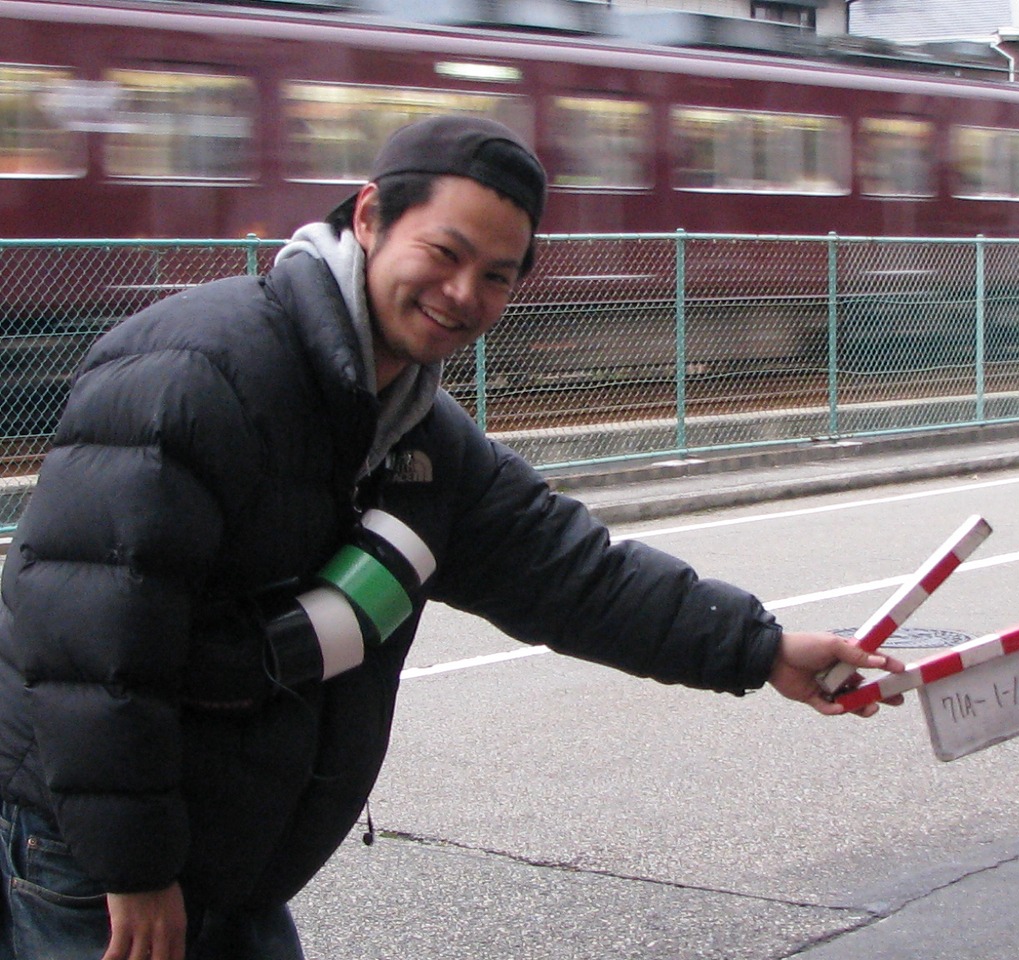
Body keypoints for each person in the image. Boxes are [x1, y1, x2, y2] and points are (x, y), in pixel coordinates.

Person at [0, 115, 903, 960]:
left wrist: (764, 648)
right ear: (370, 218)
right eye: (445, 252)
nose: (464, 294)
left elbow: (571, 574)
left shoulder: (415, 433)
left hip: (225, 852)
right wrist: (135, 865)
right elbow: (88, 640)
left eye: (500, 275)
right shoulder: (200, 375)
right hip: (97, 859)